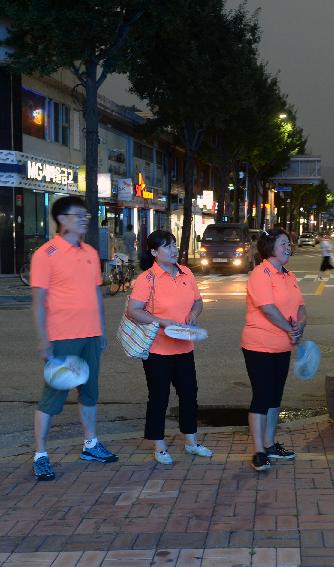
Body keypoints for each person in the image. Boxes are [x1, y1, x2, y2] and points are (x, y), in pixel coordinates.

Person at [29, 195, 116, 482]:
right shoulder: (46, 254)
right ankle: (40, 454)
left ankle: (91, 444)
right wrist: (44, 339)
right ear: (62, 219)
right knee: (53, 396)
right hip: (62, 336)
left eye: (86, 215)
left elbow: (96, 296)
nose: (85, 219)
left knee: (90, 391)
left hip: (90, 334)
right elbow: (38, 301)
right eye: (79, 214)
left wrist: (101, 330)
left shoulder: (90, 252)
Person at [126, 230, 212, 465]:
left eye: (174, 244)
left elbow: (198, 301)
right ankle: (159, 446)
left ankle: (191, 442)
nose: (174, 250)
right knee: (159, 397)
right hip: (157, 351)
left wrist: (194, 315)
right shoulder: (148, 279)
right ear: (154, 252)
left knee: (189, 395)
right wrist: (162, 322)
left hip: (184, 347)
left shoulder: (186, 273)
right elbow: (133, 310)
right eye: (167, 246)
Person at [242, 228, 305, 471]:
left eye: (289, 243)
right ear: (269, 248)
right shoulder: (261, 274)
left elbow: (301, 307)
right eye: (283, 243)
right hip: (259, 345)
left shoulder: (289, 276)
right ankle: (258, 451)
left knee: (275, 396)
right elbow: (267, 308)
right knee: (262, 396)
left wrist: (299, 325)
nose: (288, 247)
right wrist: (290, 330)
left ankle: (269, 444)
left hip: (282, 346)